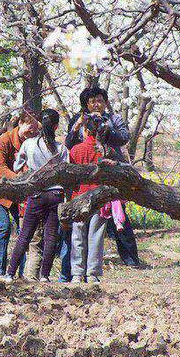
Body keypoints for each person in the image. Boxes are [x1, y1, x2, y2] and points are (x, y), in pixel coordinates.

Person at [66, 86, 140, 267]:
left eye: (100, 100)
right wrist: (77, 127)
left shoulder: (113, 119)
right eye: (92, 102)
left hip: (111, 170)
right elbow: (69, 144)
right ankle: (74, 263)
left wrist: (107, 129)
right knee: (81, 218)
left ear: (105, 102)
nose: (97, 104)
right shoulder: (79, 119)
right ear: (86, 105)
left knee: (118, 214)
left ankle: (131, 260)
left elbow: (123, 138)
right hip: (86, 173)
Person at [3, 109, 69, 282]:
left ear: (40, 124)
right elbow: (66, 170)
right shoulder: (61, 148)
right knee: (50, 236)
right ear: (56, 126)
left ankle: (10, 273)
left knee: (25, 234)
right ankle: (45, 275)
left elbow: (17, 167)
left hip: (37, 192)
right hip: (56, 193)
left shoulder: (29, 144)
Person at [0, 109, 40, 276]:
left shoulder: (34, 142)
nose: (32, 132)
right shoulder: (4, 140)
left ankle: (19, 271)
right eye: (29, 128)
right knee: (3, 226)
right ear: (20, 124)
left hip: (19, 194)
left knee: (24, 231)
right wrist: (19, 178)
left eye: (35, 129)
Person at [68, 114, 111, 283]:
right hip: (99, 197)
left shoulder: (75, 150)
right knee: (96, 237)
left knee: (77, 236)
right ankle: (92, 273)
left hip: (79, 197)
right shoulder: (105, 151)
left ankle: (77, 273)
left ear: (85, 130)